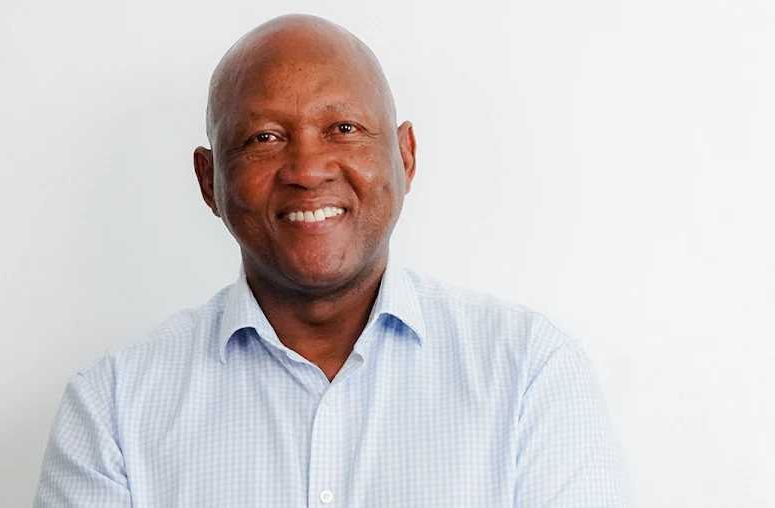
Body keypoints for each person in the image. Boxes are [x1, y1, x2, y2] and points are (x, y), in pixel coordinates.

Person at [33, 14, 631, 507]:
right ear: (209, 179)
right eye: (265, 138)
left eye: (343, 127)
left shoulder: (530, 375)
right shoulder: (113, 408)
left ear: (405, 157)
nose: (307, 169)